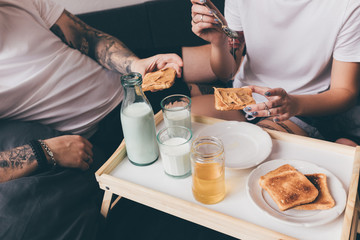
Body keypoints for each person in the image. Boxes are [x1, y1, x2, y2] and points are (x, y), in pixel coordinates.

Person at [0, 0, 183, 239]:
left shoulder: (17, 3)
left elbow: (86, 37)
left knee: (225, 120)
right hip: (101, 136)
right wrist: (44, 151)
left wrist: (134, 65)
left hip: (133, 90)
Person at [188, 0, 360, 146]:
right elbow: (227, 73)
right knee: (178, 121)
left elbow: (346, 92)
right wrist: (219, 42)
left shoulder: (349, 5)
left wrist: (294, 104)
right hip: (245, 95)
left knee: (250, 149)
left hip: (302, 107)